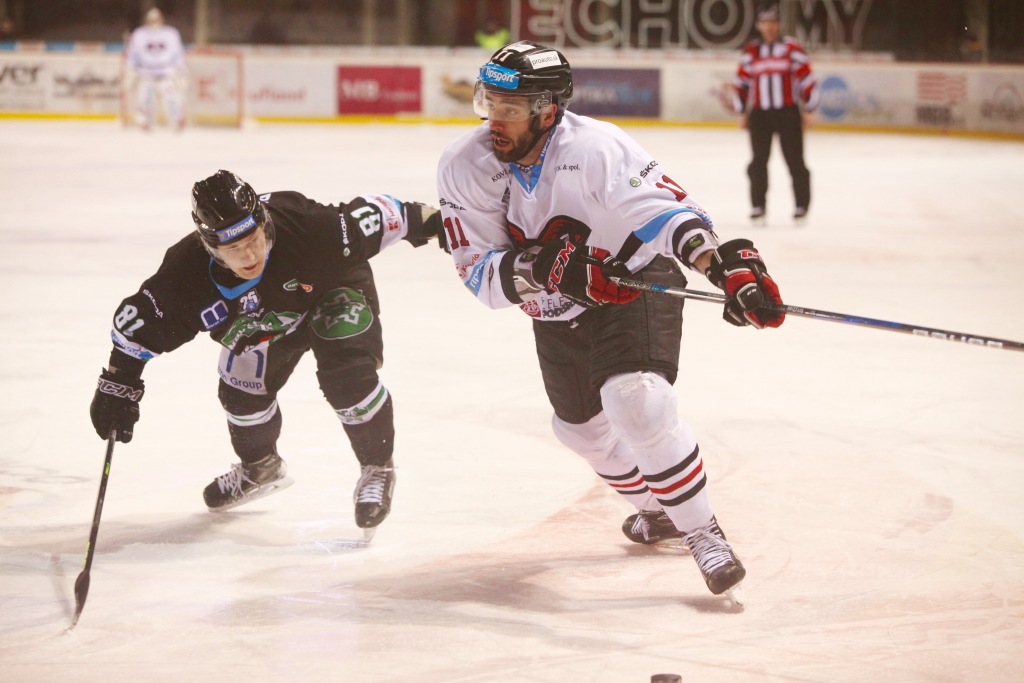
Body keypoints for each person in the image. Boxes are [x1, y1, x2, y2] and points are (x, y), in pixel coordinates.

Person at [435, 41, 786, 600]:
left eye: (510, 108)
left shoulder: (597, 147)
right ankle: (660, 511)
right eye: (488, 103)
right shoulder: (464, 165)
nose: (493, 120)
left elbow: (663, 214)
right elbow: (479, 275)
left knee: (637, 400)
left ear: (547, 110)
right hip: (555, 309)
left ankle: (704, 532)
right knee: (579, 431)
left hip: (633, 282)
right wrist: (547, 270)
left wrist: (722, 268)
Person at [89, 170, 441, 535]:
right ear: (210, 247)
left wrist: (450, 228)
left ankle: (378, 467)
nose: (249, 255)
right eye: (233, 249)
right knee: (239, 391)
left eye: (254, 239)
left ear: (264, 223)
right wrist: (118, 383)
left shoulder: (309, 227)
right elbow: (138, 328)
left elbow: (392, 215)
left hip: (333, 292)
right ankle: (261, 467)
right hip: (266, 319)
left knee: (347, 377)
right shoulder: (186, 276)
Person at [732, 3, 818, 221]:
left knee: (795, 160)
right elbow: (741, 83)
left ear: (779, 24)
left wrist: (810, 109)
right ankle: (758, 206)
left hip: (787, 113)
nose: (769, 27)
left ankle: (801, 206)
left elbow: (807, 79)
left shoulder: (792, 48)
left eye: (773, 22)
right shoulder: (751, 51)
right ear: (758, 25)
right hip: (760, 114)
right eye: (765, 22)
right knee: (758, 161)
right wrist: (741, 112)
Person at [124, 7, 187, 131]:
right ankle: (146, 121)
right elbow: (133, 54)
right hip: (146, 72)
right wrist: (130, 69)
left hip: (166, 72)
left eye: (156, 19)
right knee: (145, 98)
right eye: (152, 20)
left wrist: (181, 70)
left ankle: (176, 119)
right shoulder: (139, 34)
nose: (154, 22)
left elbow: (178, 53)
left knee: (172, 98)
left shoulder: (171, 33)